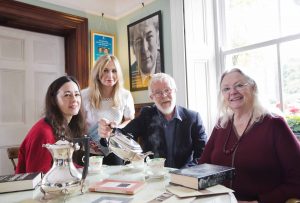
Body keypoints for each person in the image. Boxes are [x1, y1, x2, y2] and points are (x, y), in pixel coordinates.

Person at [198, 68, 300, 202]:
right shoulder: (221, 125)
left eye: (239, 85)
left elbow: (297, 180)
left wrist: (259, 201)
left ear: (253, 87)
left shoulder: (275, 124)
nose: (232, 92)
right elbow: (202, 167)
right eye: (226, 89)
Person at [100, 73, 207, 169]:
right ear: (152, 97)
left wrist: (184, 173)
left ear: (175, 91)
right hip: (153, 176)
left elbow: (203, 155)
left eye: (167, 90)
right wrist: (110, 132)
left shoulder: (193, 118)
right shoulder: (147, 115)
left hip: (185, 178)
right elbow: (124, 134)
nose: (164, 96)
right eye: (158, 92)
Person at [16, 75, 86, 174]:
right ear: (54, 100)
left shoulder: (63, 126)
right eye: (67, 95)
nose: (74, 99)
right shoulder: (44, 133)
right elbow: (37, 176)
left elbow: (63, 165)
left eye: (77, 94)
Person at [81, 55, 135, 165]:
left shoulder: (125, 95)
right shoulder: (84, 95)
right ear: (97, 73)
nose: (110, 75)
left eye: (114, 71)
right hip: (90, 150)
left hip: (116, 149)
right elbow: (79, 125)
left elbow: (130, 120)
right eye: (105, 70)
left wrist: (117, 127)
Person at [129, 17, 161, 89]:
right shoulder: (131, 72)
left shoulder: (166, 69)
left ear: (157, 40)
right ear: (133, 49)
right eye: (138, 41)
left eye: (149, 37)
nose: (144, 48)